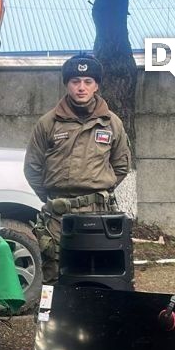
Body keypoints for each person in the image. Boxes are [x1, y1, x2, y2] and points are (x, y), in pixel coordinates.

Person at [23, 53, 131, 284]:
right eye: (75, 81)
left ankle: (97, 320)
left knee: (100, 274)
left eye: (88, 81)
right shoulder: (48, 123)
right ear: (66, 84)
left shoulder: (112, 123)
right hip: (58, 217)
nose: (81, 87)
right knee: (55, 276)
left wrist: (96, 190)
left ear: (96, 85)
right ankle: (51, 320)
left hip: (99, 212)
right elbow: (32, 168)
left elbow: (121, 166)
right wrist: (54, 198)